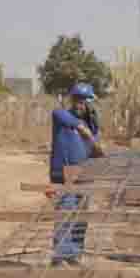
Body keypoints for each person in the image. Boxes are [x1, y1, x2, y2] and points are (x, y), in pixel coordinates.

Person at [48, 83, 102, 267]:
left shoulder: (92, 125)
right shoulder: (62, 116)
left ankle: (74, 255)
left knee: (81, 218)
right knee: (65, 213)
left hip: (84, 173)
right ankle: (60, 256)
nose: (79, 104)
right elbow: (61, 115)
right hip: (63, 173)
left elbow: (96, 151)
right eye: (76, 100)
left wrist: (93, 131)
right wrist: (83, 129)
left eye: (83, 101)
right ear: (71, 100)